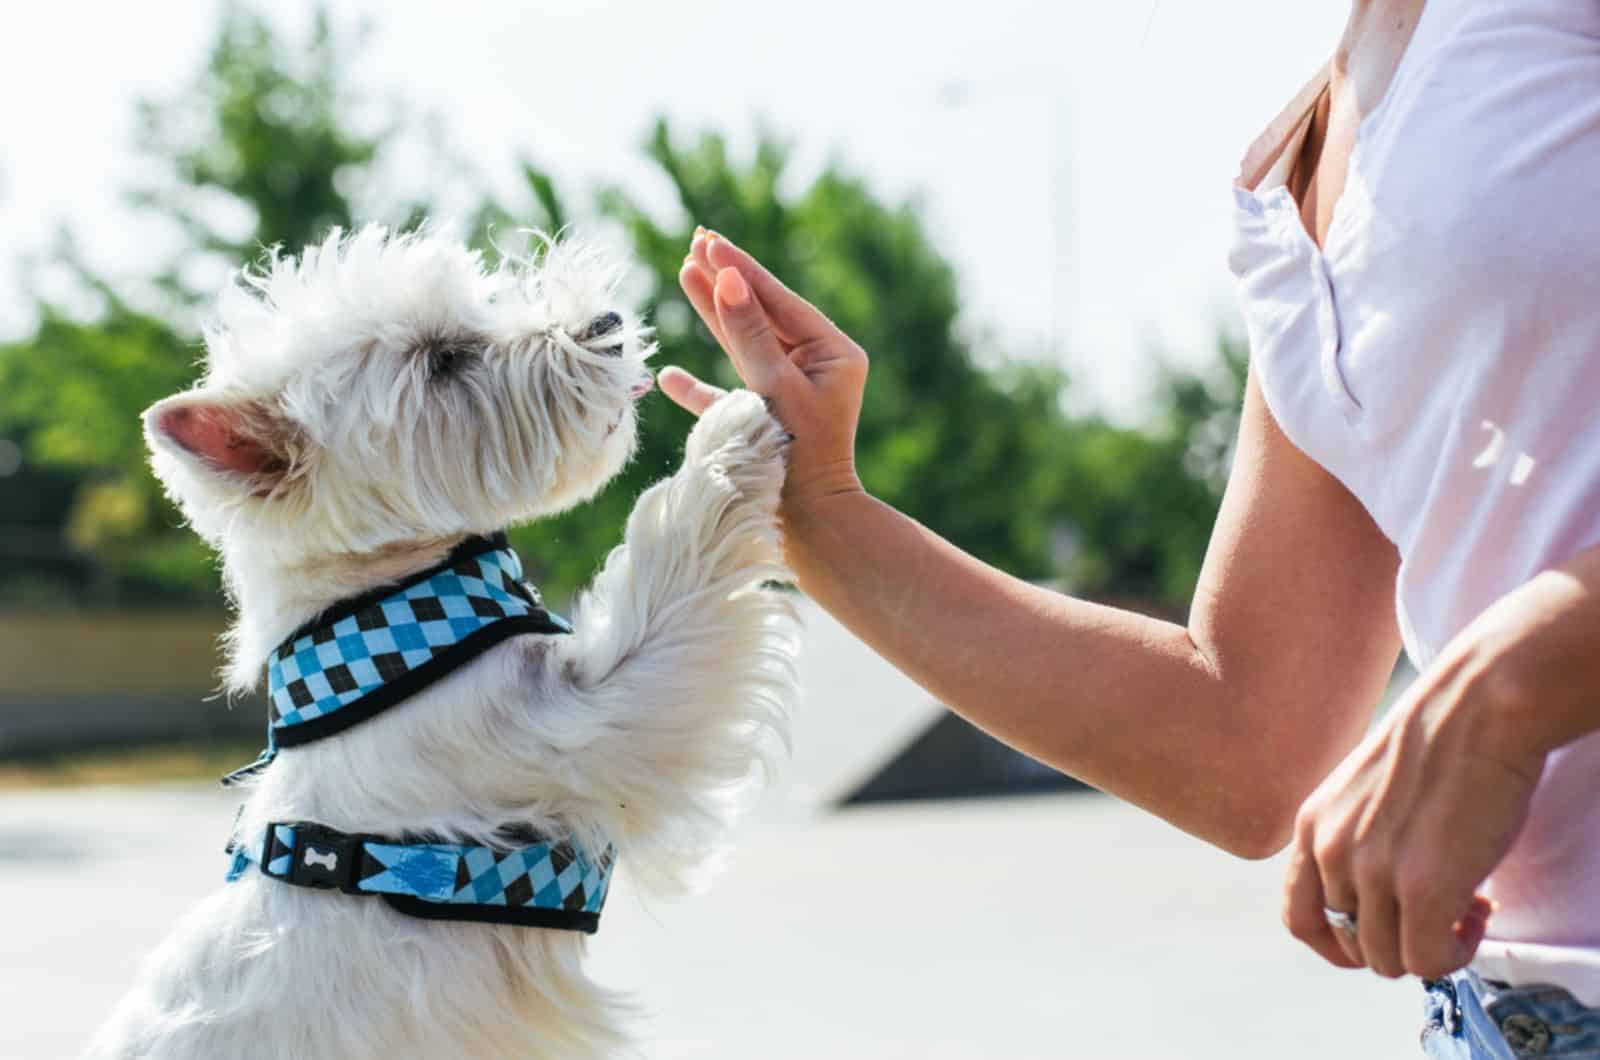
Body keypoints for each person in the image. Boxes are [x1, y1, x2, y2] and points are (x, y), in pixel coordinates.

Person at [659, 0, 1600, 1055]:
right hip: (1495, 1022)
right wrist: (826, 520)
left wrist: (1506, 687)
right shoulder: (1306, 156)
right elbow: (1245, 738)